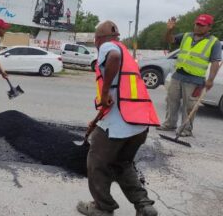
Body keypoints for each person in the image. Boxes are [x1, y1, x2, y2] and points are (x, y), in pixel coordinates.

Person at [77, 21, 160, 216]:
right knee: (123, 164)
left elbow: (111, 59)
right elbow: (119, 96)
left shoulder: (109, 47)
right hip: (139, 125)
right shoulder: (126, 53)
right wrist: (97, 120)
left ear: (97, 40)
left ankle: (102, 207)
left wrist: (104, 91)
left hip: (118, 127)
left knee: (97, 164)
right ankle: (144, 205)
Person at [158, 14, 221, 136]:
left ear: (209, 27)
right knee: (171, 101)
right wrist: (169, 30)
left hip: (195, 80)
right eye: (197, 24)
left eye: (202, 25)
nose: (198, 27)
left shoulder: (214, 42)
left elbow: (215, 62)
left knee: (190, 106)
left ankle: (186, 129)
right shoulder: (186, 36)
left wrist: (210, 80)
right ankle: (169, 124)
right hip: (178, 75)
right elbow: (168, 39)